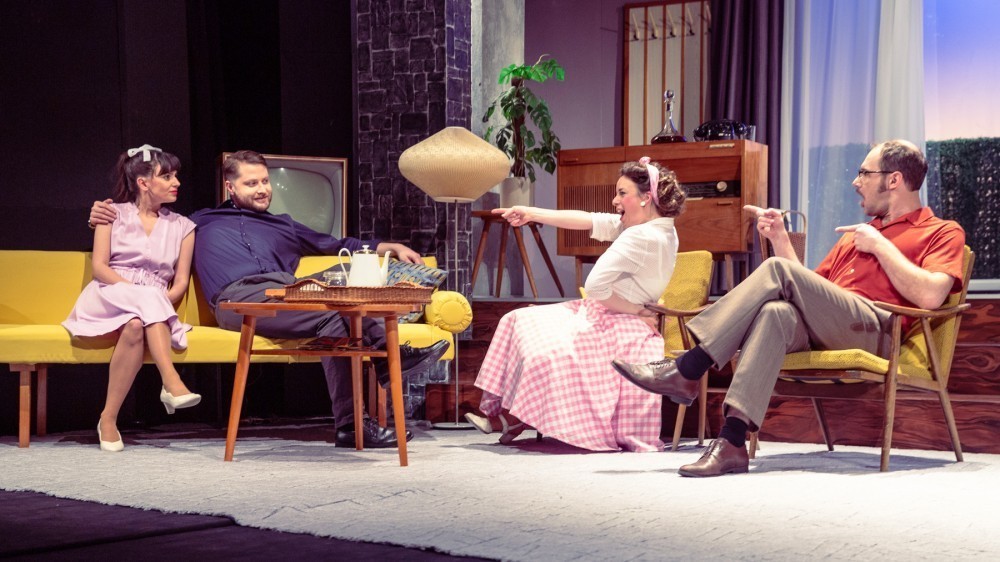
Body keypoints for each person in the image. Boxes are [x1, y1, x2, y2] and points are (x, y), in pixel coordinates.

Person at [612, 139, 967, 476]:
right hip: (831, 324)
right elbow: (807, 285)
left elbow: (932, 296)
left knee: (778, 272)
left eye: (864, 173)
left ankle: (689, 367)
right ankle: (732, 441)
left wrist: (880, 246)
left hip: (878, 331)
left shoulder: (941, 231)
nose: (856, 182)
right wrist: (780, 238)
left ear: (894, 180)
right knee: (776, 314)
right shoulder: (856, 234)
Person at [90, 150, 449, 449]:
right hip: (236, 301)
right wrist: (99, 215)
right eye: (252, 183)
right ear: (230, 187)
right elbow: (146, 221)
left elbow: (342, 244)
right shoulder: (199, 222)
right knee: (334, 311)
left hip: (286, 294)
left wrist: (388, 246)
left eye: (265, 181)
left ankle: (352, 425)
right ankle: (386, 362)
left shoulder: (286, 225)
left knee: (337, 318)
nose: (263, 189)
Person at [465, 157, 687, 452]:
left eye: (622, 193)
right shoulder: (657, 227)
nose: (615, 200)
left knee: (540, 342)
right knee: (520, 320)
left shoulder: (641, 236)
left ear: (646, 197)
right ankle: (510, 417)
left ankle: (510, 417)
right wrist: (530, 213)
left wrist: (636, 310)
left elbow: (595, 287)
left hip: (620, 319)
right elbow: (588, 219)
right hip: (614, 312)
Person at [65, 144, 200, 452]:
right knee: (146, 299)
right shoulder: (110, 213)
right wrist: (139, 293)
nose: (176, 182)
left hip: (154, 305)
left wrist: (157, 300)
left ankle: (108, 419)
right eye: (167, 176)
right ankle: (170, 380)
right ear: (143, 183)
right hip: (110, 293)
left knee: (135, 326)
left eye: (176, 176)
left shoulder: (184, 227)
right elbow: (100, 268)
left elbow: (180, 282)